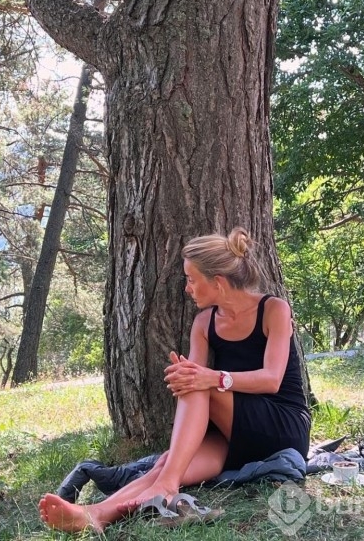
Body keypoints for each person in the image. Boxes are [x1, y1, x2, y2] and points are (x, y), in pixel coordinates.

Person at [38, 226, 311, 533]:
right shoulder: (204, 323)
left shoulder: (273, 309)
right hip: (233, 436)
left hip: (282, 426)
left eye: (192, 279)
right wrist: (187, 376)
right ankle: (97, 514)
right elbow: (194, 384)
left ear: (218, 282)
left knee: (197, 384)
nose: (187, 288)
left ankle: (164, 486)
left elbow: (272, 380)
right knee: (167, 464)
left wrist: (211, 378)